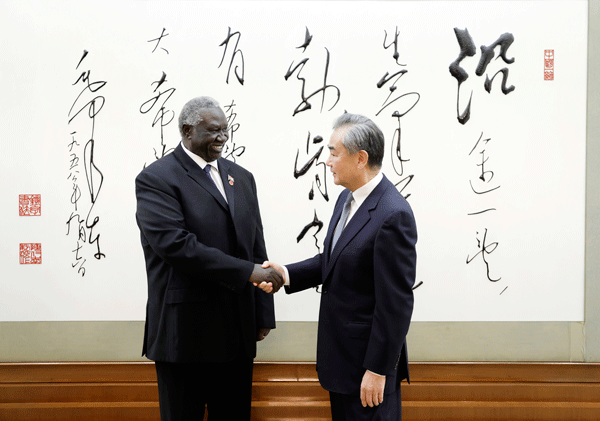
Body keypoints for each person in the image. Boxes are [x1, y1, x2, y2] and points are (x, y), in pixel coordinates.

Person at [135, 96, 284, 421]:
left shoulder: (241, 177)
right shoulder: (157, 179)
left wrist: (262, 313)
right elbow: (178, 247)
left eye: (225, 130)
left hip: (237, 334)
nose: (222, 138)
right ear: (187, 131)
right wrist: (249, 272)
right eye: (213, 130)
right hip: (185, 335)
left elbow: (255, 244)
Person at [262, 113, 417, 421]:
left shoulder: (392, 214)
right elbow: (333, 260)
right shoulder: (346, 199)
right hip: (341, 363)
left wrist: (377, 369)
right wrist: (286, 274)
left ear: (361, 158)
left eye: (334, 152)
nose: (327, 161)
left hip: (366, 371)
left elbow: (396, 304)